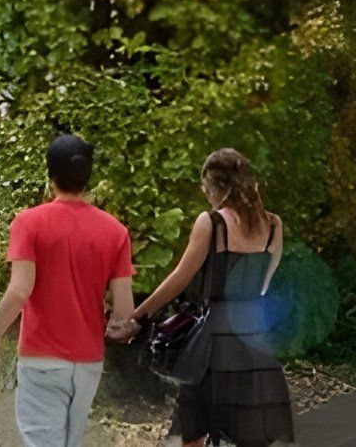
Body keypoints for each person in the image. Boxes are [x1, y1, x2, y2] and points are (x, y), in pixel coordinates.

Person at [117, 148, 295, 447]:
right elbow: (264, 286)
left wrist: (137, 317)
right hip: (255, 343)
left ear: (216, 187)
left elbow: (179, 279)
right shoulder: (273, 225)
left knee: (191, 434)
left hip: (215, 345)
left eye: (205, 188)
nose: (205, 195)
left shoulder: (212, 222)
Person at [0, 134, 137, 447]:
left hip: (41, 358)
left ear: (50, 174)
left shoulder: (28, 223)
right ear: (88, 175)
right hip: (88, 361)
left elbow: (19, 291)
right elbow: (124, 312)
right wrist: (120, 328)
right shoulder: (116, 232)